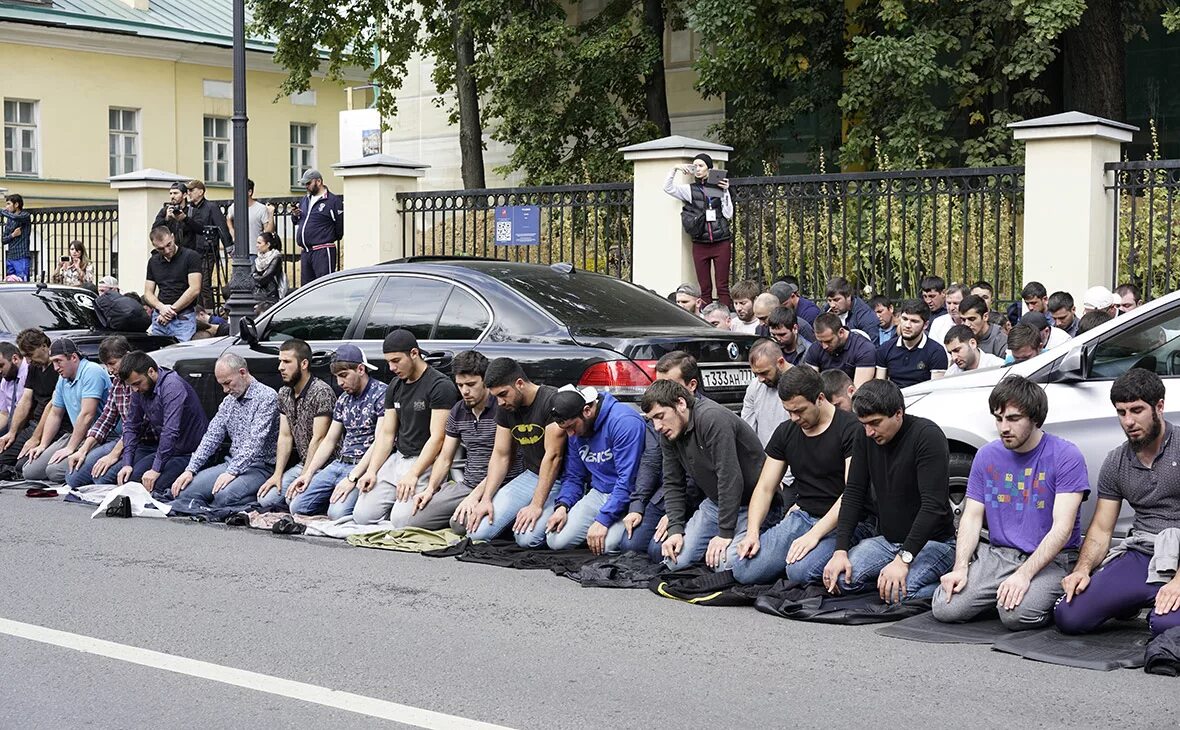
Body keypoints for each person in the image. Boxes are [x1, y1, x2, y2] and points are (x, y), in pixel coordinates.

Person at [933, 376, 1088, 630]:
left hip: (1051, 559)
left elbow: (1063, 528)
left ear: (1035, 418)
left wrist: (1024, 575)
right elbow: (971, 516)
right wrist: (960, 567)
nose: (1004, 427)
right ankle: (1001, 594)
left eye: (1013, 419)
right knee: (945, 607)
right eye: (998, 418)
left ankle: (1027, 597)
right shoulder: (986, 455)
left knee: (1015, 616)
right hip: (998, 555)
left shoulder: (1066, 455)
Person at [1055, 368, 1180, 638]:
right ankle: (1136, 597)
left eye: (1136, 410)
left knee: (1165, 626)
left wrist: (1179, 582)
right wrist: (1082, 570)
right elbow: (1101, 529)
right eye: (1121, 412)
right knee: (1069, 615)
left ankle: (1155, 601)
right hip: (1144, 553)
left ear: (1159, 407)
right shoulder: (1116, 461)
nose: (1129, 421)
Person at [733, 367, 873, 585]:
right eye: (788, 411)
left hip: (845, 523)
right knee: (742, 569)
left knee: (799, 572)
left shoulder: (850, 429)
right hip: (803, 516)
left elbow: (852, 493)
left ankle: (849, 555)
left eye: (799, 411)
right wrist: (752, 532)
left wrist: (814, 535)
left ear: (819, 398)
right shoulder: (786, 431)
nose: (794, 417)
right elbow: (765, 487)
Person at [822, 380, 955, 602]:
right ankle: (886, 581)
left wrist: (903, 559)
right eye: (863, 424)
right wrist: (840, 550)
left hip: (934, 542)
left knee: (899, 594)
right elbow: (853, 492)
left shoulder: (927, 436)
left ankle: (951, 583)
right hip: (887, 541)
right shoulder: (864, 437)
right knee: (839, 582)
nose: (869, 432)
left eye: (875, 423)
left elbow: (934, 506)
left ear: (898, 414)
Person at [642, 379, 772, 571]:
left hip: (753, 503)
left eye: (660, 416)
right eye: (652, 419)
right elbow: (673, 482)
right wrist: (676, 529)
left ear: (681, 403)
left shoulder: (712, 418)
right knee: (674, 560)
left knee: (725, 565)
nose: (657, 426)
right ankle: (712, 546)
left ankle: (759, 536)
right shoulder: (668, 434)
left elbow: (730, 477)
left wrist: (725, 534)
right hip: (715, 503)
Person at [348, 330, 459, 526]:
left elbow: (438, 438)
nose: (391, 367)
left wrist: (413, 474)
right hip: (398, 458)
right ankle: (395, 504)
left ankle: (406, 507)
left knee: (401, 521)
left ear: (414, 353)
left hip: (425, 461)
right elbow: (387, 434)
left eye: (396, 360)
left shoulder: (440, 385)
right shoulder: (395, 385)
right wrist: (372, 470)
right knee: (362, 516)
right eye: (389, 362)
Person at [415, 351, 525, 531]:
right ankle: (466, 513)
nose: (465, 391)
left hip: (501, 483)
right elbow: (445, 458)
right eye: (460, 385)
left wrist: (476, 496)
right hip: (468, 484)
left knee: (460, 525)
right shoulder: (458, 411)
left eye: (471, 384)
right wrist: (430, 489)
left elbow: (505, 460)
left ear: (486, 382)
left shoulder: (503, 407)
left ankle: (491, 517)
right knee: (409, 519)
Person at [464, 358, 567, 547]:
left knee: (527, 539)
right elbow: (501, 455)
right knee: (476, 533)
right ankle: (516, 518)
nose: (500, 402)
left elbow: (553, 457)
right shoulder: (506, 406)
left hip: (559, 478)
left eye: (503, 394)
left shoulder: (551, 400)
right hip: (531, 475)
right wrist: (486, 499)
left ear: (519, 383)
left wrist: (536, 506)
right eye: (496, 396)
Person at [615, 351, 706, 558]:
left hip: (696, 497)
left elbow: (698, 476)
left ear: (691, 386)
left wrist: (675, 517)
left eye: (669, 385)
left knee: (658, 552)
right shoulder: (659, 416)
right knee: (630, 546)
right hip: (666, 492)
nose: (660, 392)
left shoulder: (705, 416)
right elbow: (651, 461)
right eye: (657, 384)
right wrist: (637, 505)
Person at [286, 345, 386, 516]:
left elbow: (381, 441)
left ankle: (349, 504)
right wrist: (308, 473)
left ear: (360, 369)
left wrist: (352, 478)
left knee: (337, 513)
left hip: (362, 465)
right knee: (296, 506)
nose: (340, 383)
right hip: (339, 463)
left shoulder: (381, 394)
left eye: (344, 376)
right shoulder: (343, 399)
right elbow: (330, 440)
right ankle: (334, 499)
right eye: (337, 377)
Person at [545, 385, 646, 553]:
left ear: (586, 411)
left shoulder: (623, 422)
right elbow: (573, 476)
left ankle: (610, 531)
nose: (570, 434)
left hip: (629, 495)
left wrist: (603, 520)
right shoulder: (575, 430)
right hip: (599, 491)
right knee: (555, 540)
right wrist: (563, 506)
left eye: (571, 426)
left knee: (606, 546)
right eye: (565, 429)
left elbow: (628, 480)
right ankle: (596, 531)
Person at [170, 354, 278, 507]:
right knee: (184, 492)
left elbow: (255, 442)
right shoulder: (228, 401)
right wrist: (190, 469)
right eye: (221, 385)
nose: (225, 390)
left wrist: (232, 472)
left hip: (260, 466)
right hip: (231, 462)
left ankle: (252, 498)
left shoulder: (267, 397)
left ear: (242, 373)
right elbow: (212, 437)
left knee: (223, 497)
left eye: (228, 383)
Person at [115, 351, 209, 499]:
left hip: (190, 453)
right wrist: (127, 462)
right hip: (170, 451)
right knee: (130, 480)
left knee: (152, 488)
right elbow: (132, 425)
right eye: (131, 386)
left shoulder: (172, 386)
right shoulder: (139, 389)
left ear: (151, 371)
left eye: (137, 384)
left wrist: (155, 469)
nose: (135, 390)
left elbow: (170, 431)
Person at [256, 339, 336, 511]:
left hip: (326, 464)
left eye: (286, 362)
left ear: (304, 363)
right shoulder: (284, 393)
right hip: (302, 463)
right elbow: (285, 437)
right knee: (266, 499)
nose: (280, 367)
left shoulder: (321, 392)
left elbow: (319, 438)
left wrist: (305, 476)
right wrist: (277, 474)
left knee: (296, 503)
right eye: (280, 361)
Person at [20, 338, 110, 483]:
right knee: (30, 471)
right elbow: (55, 413)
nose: (55, 367)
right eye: (53, 362)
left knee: (55, 472)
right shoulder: (63, 378)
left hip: (100, 437)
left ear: (73, 357)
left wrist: (70, 448)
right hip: (76, 434)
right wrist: (43, 444)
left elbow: (87, 415)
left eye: (58, 361)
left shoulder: (91, 371)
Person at [65, 337, 136, 489]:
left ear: (128, 356)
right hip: (122, 440)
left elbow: (137, 426)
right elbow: (105, 419)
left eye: (112, 363)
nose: (110, 370)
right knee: (73, 477)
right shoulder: (117, 383)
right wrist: (83, 450)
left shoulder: (139, 383)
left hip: (138, 442)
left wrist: (113, 455)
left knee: (102, 478)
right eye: (106, 365)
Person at [663, 154, 733, 307]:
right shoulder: (690, 189)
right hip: (700, 242)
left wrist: (726, 192)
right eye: (694, 166)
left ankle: (727, 316)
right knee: (705, 288)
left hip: (721, 241)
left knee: (722, 286)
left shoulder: (717, 187)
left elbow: (728, 213)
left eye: (701, 165)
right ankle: (706, 318)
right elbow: (667, 188)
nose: (697, 169)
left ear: (709, 168)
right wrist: (675, 169)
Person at [0, 329, 56, 467]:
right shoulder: (33, 368)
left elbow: (52, 407)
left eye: (31, 354)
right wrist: (12, 432)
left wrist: (35, 438)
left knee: (23, 465)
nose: (29, 360)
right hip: (34, 424)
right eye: (26, 356)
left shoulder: (57, 368)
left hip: (52, 425)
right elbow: (25, 400)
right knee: (3, 457)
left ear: (43, 346)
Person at [143, 225, 202, 342]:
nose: (166, 250)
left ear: (173, 237)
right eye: (160, 249)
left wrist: (169, 312)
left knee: (182, 356)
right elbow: (148, 293)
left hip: (182, 318)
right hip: (160, 317)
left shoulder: (190, 256)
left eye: (168, 244)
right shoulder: (153, 261)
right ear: (154, 246)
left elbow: (195, 289)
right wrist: (161, 308)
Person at [874, 299, 947, 388]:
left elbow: (936, 390)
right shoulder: (885, 348)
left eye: (914, 321)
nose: (907, 325)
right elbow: (879, 387)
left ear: (925, 325)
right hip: (892, 399)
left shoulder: (936, 352)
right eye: (904, 319)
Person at [184, 180, 232, 309]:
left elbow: (222, 227)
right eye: (188, 191)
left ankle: (209, 311)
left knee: (204, 285)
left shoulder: (211, 207)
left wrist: (228, 246)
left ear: (201, 192)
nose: (189, 193)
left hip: (208, 250)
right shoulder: (190, 209)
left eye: (191, 190)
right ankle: (198, 311)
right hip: (193, 251)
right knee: (194, 285)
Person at [292, 169, 344, 285]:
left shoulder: (332, 201)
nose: (306, 186)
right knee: (307, 288)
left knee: (324, 286)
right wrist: (295, 216)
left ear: (318, 181)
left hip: (322, 250)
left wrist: (328, 237)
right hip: (306, 251)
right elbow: (299, 221)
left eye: (308, 183)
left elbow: (340, 226)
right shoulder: (305, 200)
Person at [805, 313, 876, 389]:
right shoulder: (815, 348)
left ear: (841, 332)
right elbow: (810, 387)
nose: (824, 346)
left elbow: (858, 392)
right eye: (820, 341)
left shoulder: (863, 349)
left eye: (828, 341)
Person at [741, 339, 791, 446]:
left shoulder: (802, 384)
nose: (760, 379)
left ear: (781, 362)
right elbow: (747, 430)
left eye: (764, 373)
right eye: (756, 374)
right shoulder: (754, 386)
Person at [226, 178, 273, 260]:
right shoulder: (234, 207)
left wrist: (271, 214)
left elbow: (268, 232)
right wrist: (232, 231)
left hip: (254, 253)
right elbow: (228, 218)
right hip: (238, 252)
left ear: (250, 192)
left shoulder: (260, 208)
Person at [825, 276, 881, 342]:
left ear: (848, 296)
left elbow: (873, 348)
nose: (832, 305)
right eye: (829, 300)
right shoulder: (827, 310)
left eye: (836, 300)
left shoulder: (865, 316)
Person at [959, 294, 1008, 358]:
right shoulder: (961, 336)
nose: (967, 324)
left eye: (972, 319)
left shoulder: (1000, 340)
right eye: (963, 320)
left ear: (985, 316)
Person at [153, 182, 195, 251]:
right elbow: (154, 230)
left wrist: (185, 218)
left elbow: (199, 229)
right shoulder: (165, 211)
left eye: (175, 193)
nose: (172, 196)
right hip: (169, 251)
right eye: (171, 193)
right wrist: (166, 219)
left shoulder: (192, 211)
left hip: (187, 252)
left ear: (184, 195)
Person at [2, 193, 32, 281]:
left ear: (16, 204)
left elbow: (15, 217)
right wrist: (13, 235)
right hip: (10, 257)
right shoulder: (9, 220)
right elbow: (3, 240)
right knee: (10, 283)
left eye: (8, 204)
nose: (6, 207)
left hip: (21, 256)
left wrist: (2, 212)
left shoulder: (25, 215)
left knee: (22, 282)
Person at [0, 342, 28, 437]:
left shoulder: (29, 372)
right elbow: (4, 413)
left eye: (1, 365)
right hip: (11, 427)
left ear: (15, 359)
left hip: (26, 427)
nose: (0, 371)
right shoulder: (5, 380)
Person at [252, 231, 284, 306]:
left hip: (271, 295)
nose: (257, 245)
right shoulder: (259, 258)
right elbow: (252, 274)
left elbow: (265, 278)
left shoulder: (276, 257)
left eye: (259, 243)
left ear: (268, 245)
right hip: (258, 294)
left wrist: (255, 276)